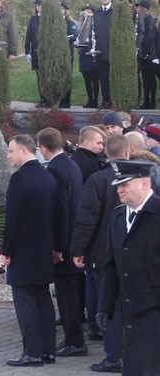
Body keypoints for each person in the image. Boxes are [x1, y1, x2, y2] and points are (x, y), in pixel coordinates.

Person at [97, 159, 160, 375]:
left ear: (144, 184)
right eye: (117, 185)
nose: (119, 190)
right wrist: (104, 306)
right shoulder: (117, 216)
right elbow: (111, 267)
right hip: (129, 311)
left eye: (125, 184)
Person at [72, 135, 128, 373]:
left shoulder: (98, 180)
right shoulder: (143, 180)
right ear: (128, 152)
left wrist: (78, 249)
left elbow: (86, 219)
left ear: (105, 152)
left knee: (110, 303)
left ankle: (114, 355)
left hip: (104, 252)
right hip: (133, 251)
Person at [1, 134, 57, 367]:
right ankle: (48, 351)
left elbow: (12, 218)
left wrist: (5, 251)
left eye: (11, 151)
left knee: (25, 303)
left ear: (24, 150)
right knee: (43, 299)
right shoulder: (48, 177)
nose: (9, 156)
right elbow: (57, 214)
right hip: (44, 249)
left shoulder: (19, 179)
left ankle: (32, 352)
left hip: (23, 251)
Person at [37, 128, 86, 357]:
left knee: (66, 296)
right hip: (75, 236)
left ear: (44, 148)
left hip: (65, 243)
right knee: (72, 292)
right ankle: (74, 339)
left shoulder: (55, 168)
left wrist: (58, 247)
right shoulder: (71, 164)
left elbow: (60, 209)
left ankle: (74, 341)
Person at [77, 5, 100, 108]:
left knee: (94, 79)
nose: (87, 13)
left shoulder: (95, 24)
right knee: (86, 79)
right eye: (85, 12)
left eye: (89, 12)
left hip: (91, 54)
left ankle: (95, 100)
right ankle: (90, 100)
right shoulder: (82, 24)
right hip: (83, 55)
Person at [92, 0, 113, 109]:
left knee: (113, 78)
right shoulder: (97, 12)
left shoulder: (115, 11)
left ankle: (114, 101)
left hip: (113, 52)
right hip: (101, 52)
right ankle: (106, 101)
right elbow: (94, 32)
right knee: (103, 79)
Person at [137, 0, 158, 109]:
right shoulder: (141, 19)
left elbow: (149, 38)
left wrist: (148, 53)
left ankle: (152, 102)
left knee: (151, 80)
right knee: (145, 80)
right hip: (143, 56)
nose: (138, 9)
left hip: (150, 56)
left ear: (145, 9)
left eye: (140, 7)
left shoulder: (150, 20)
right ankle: (146, 101)